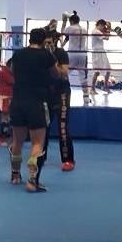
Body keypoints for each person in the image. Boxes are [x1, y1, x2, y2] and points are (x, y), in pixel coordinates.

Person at [8, 28, 56, 192]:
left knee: (17, 141)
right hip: (36, 102)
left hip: (18, 100)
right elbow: (56, 74)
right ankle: (32, 180)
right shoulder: (46, 55)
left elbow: (12, 70)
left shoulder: (19, 54)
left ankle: (15, 175)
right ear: (43, 40)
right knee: (37, 143)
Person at [45, 30, 75, 171]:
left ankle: (68, 159)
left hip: (62, 92)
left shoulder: (61, 53)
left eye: (49, 42)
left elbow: (63, 74)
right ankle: (41, 155)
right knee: (43, 126)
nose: (47, 45)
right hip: (46, 92)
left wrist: (52, 60)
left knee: (62, 127)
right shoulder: (40, 54)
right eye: (45, 42)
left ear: (55, 41)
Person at [61, 11, 91, 104]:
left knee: (65, 73)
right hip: (83, 54)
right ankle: (86, 97)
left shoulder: (70, 28)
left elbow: (62, 33)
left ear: (71, 21)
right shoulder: (84, 29)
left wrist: (64, 22)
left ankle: (63, 94)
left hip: (72, 53)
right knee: (83, 76)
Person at [90, 19, 111, 94]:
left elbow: (105, 34)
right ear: (100, 25)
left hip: (101, 51)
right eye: (103, 26)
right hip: (97, 52)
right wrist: (109, 28)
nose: (103, 28)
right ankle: (92, 89)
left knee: (108, 69)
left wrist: (108, 28)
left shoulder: (97, 31)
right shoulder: (96, 32)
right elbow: (107, 38)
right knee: (97, 72)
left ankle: (105, 87)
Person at [0, 58, 14, 146]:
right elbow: (13, 81)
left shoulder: (9, 72)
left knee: (10, 119)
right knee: (4, 119)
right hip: (4, 98)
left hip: (10, 97)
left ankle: (10, 138)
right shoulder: (3, 72)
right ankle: (2, 139)